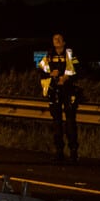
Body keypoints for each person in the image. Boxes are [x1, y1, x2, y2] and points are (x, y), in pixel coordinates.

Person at [39, 32, 81, 163]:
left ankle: (73, 153)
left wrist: (67, 77)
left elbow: (78, 68)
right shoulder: (49, 55)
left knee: (70, 122)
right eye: (54, 38)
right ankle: (59, 152)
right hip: (54, 91)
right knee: (56, 123)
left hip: (68, 91)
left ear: (64, 42)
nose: (56, 40)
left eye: (59, 38)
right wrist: (51, 74)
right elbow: (41, 70)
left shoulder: (70, 54)